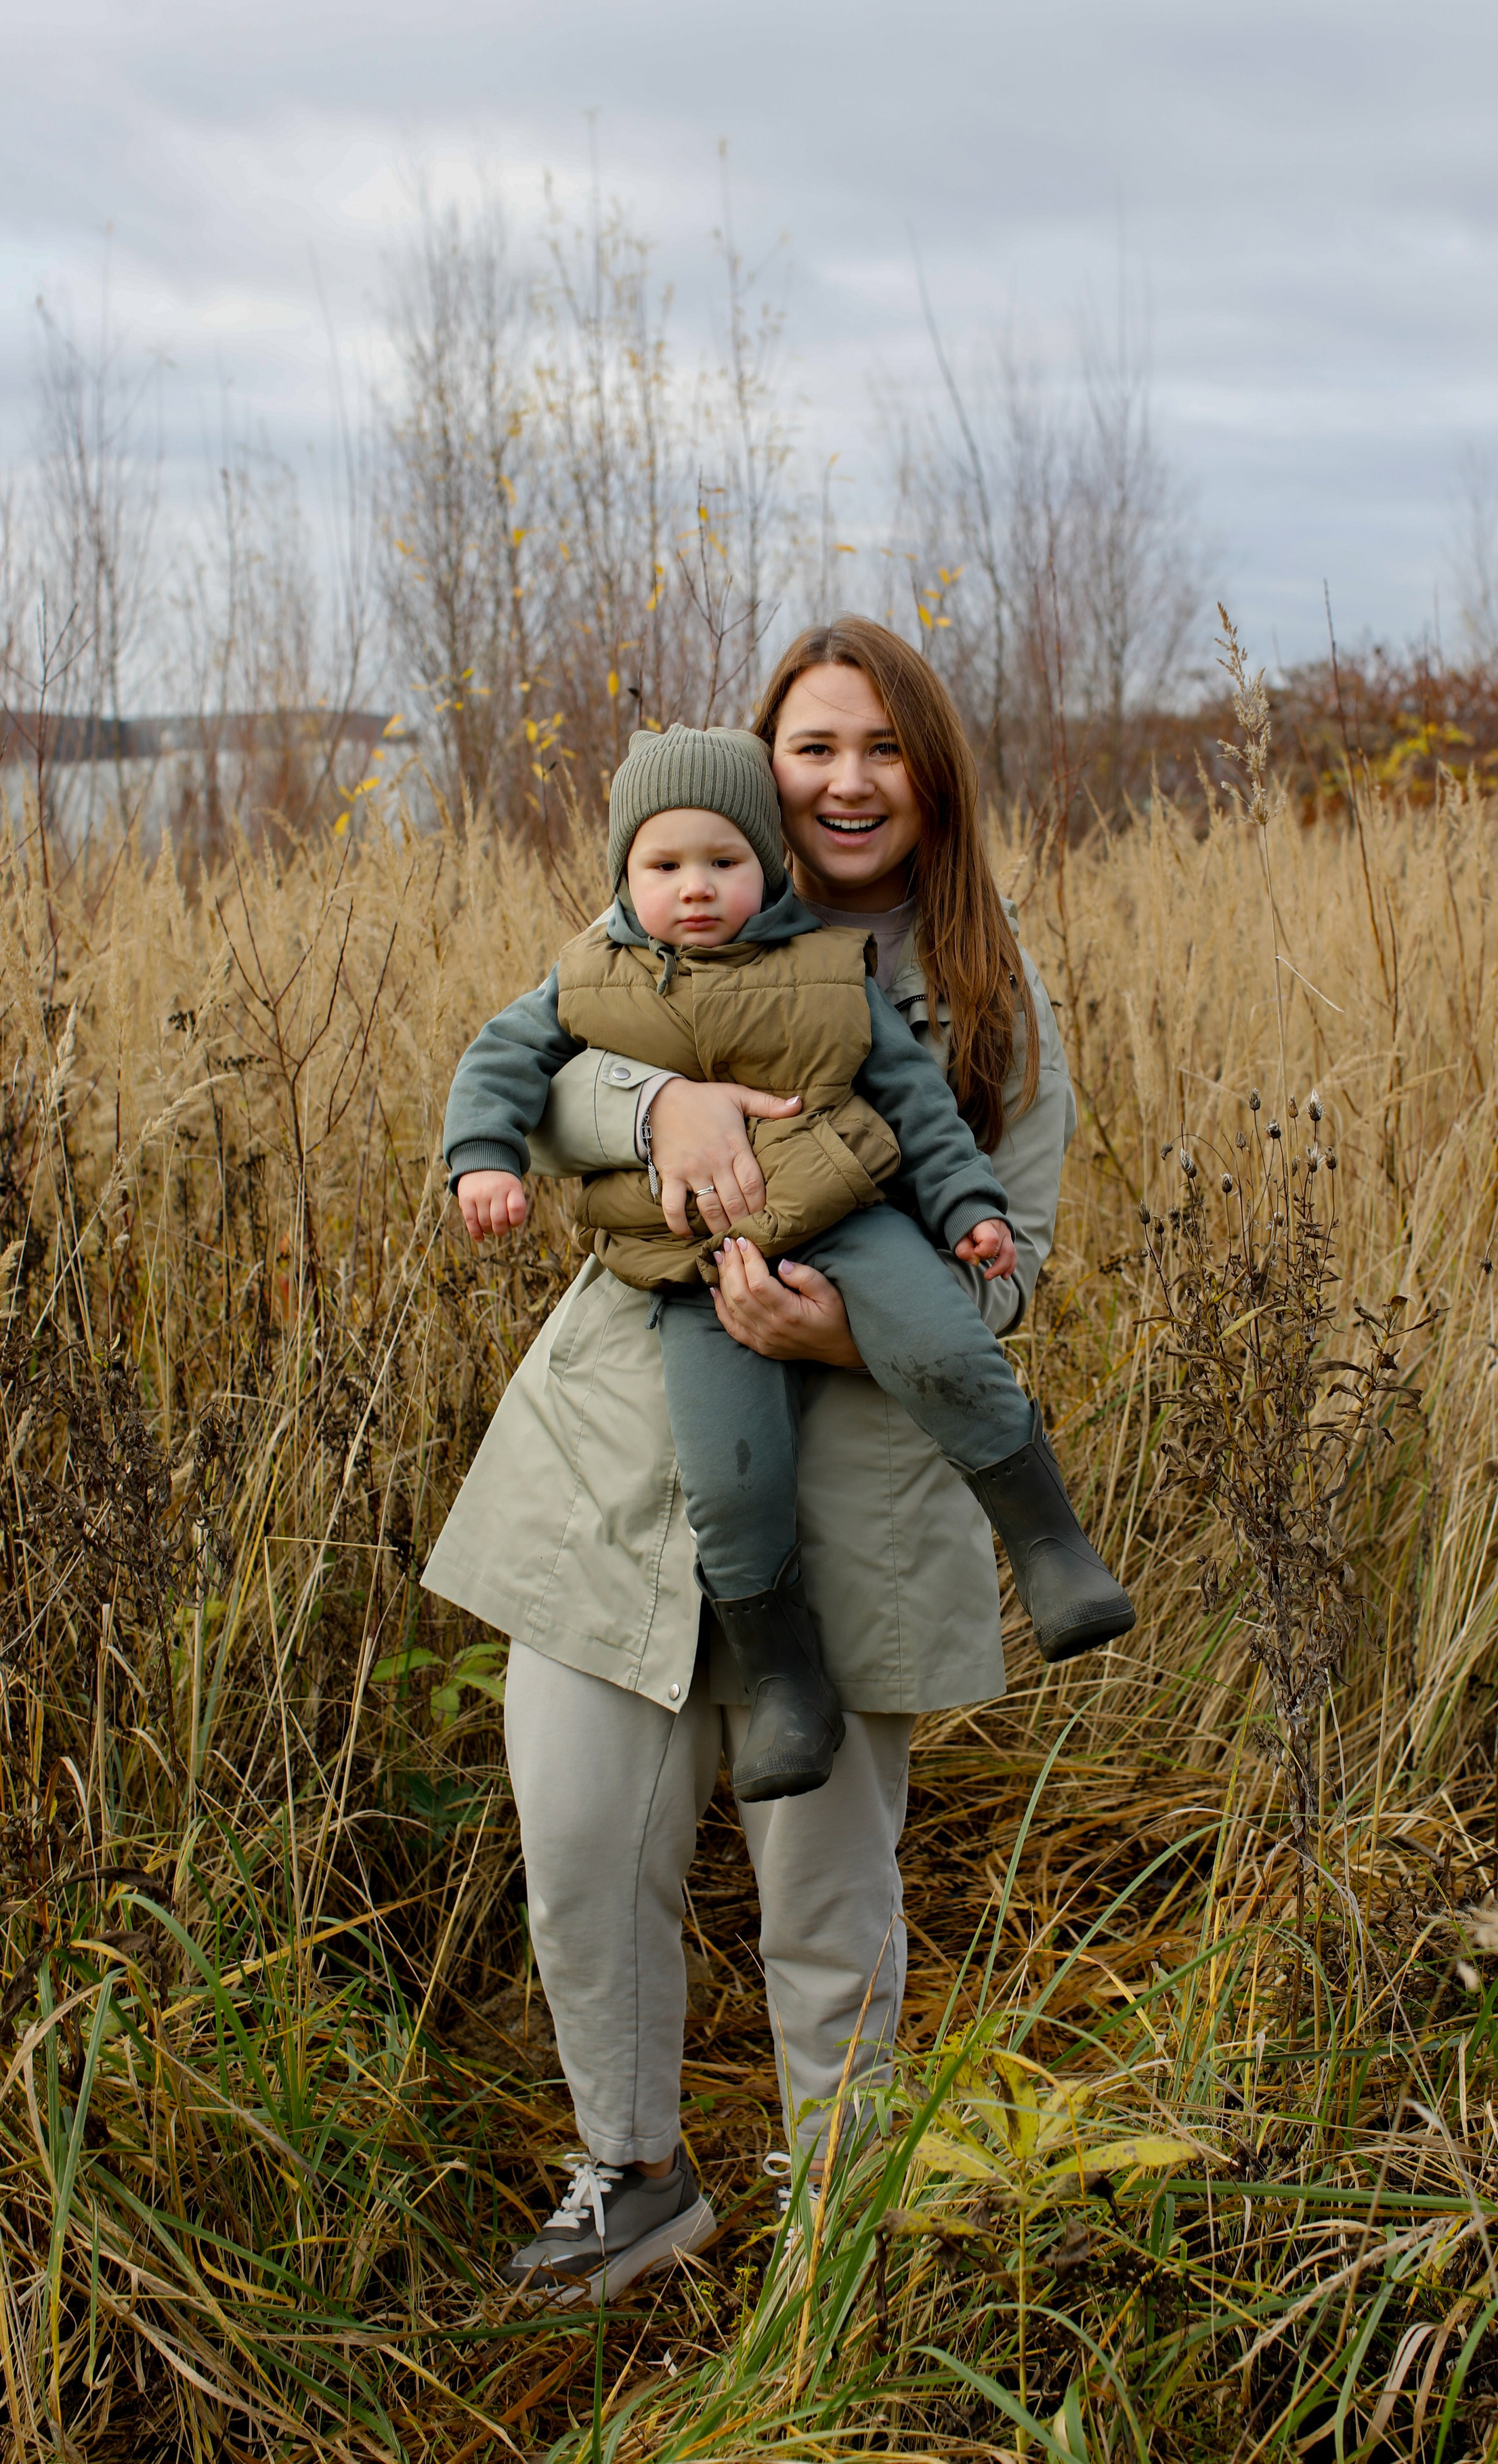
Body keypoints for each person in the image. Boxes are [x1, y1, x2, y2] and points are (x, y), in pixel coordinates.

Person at [421, 618, 1098, 2305]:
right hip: (610, 1476)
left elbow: (1012, 1275)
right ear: (761, 769)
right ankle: (631, 2179)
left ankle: (840, 2228)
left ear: (931, 778)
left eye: (881, 749)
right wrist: (663, 1113)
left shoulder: (989, 996)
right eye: (814, 748)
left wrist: (842, 1332)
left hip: (854, 1494)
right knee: (582, 1850)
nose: (846, 782)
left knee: (826, 1897)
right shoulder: (662, 904)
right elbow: (534, 1095)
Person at [442, 720, 1132, 1804]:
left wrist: (967, 1213)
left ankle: (1050, 1546)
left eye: (722, 862)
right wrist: (501, 1154)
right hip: (697, 1274)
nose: (696, 887)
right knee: (731, 1473)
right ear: (627, 872)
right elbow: (508, 1063)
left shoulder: (831, 966)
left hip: (852, 1222)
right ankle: (785, 1680)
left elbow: (916, 1103)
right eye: (664, 867)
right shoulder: (599, 967)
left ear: (763, 857)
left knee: (949, 1346)